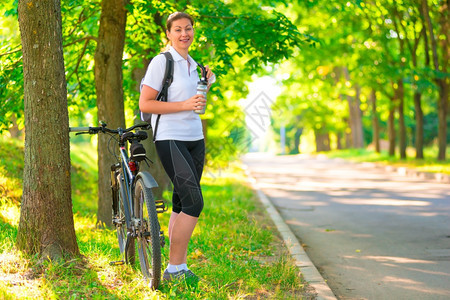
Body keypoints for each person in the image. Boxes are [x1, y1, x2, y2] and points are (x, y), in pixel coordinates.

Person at [139, 12, 215, 281]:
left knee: (182, 202)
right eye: (178, 29)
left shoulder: (196, 65)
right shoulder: (162, 62)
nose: (185, 34)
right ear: (169, 34)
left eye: (189, 29)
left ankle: (177, 267)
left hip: (195, 138)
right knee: (195, 201)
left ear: (194, 32)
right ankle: (174, 268)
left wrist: (204, 87)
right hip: (169, 137)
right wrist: (184, 105)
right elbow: (145, 104)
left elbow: (197, 105)